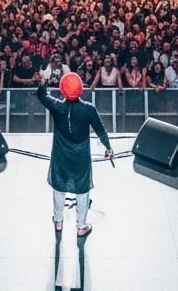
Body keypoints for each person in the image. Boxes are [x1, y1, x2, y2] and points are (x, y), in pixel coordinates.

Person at [36, 72, 113, 237]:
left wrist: (43, 80)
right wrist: (108, 147)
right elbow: (100, 129)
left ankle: (58, 221)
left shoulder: (56, 106)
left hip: (60, 156)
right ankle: (81, 227)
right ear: (80, 89)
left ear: (62, 89)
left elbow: (41, 95)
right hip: (81, 157)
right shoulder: (89, 109)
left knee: (59, 186)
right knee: (82, 188)